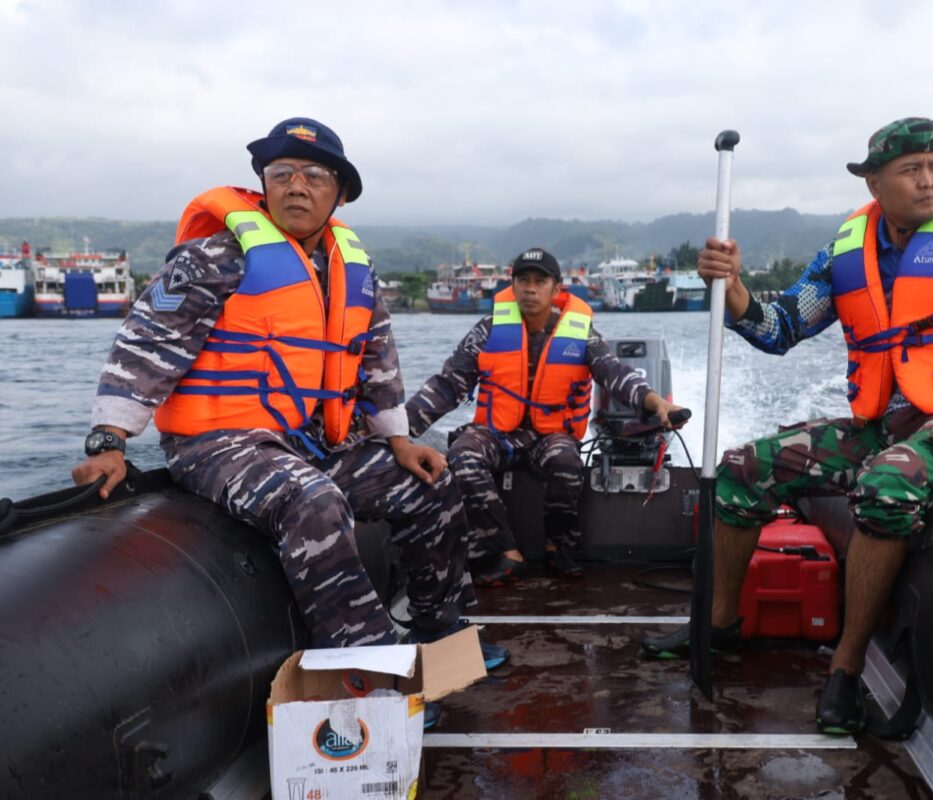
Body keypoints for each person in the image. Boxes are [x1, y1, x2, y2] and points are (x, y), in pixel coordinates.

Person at [640, 118, 933, 734]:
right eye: (911, 169)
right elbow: (778, 326)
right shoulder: (846, 251)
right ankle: (721, 625)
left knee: (887, 485)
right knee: (742, 470)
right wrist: (732, 288)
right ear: (873, 182)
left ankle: (845, 668)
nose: (930, 181)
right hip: (890, 423)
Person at [70, 117, 507, 674]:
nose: (296, 186)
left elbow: (377, 361)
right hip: (218, 445)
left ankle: (440, 630)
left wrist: (399, 440)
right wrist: (109, 439)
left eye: (314, 175)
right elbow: (147, 344)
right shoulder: (216, 257)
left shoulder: (355, 271)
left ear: (340, 193)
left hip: (305, 441)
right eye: (282, 173)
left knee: (429, 478)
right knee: (313, 501)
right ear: (264, 184)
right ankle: (372, 672)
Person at [406, 247, 686, 583]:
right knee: (463, 455)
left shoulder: (582, 334)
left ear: (556, 290)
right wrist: (396, 431)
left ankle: (559, 546)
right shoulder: (488, 330)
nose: (530, 288)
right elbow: (448, 384)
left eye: (540, 281)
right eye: (523, 280)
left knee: (566, 461)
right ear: (513, 285)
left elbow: (617, 374)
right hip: (498, 433)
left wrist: (659, 405)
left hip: (550, 436)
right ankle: (504, 552)